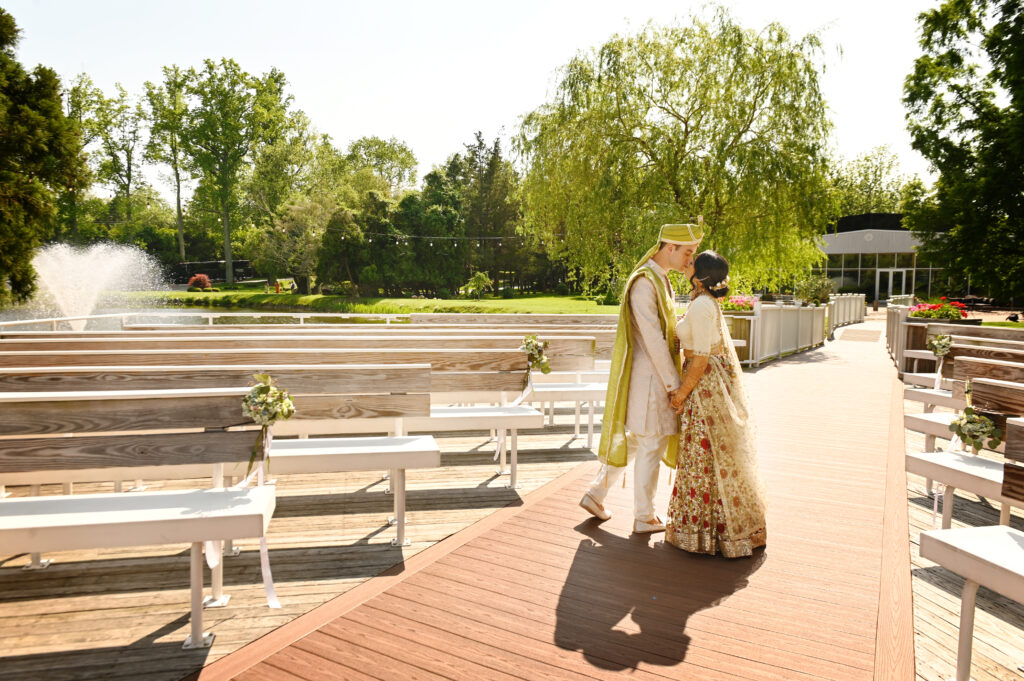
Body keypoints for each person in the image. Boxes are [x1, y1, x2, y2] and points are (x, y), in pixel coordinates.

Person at [579, 223, 703, 533]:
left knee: (638, 440)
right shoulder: (645, 283)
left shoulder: (658, 280)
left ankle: (596, 494)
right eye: (687, 252)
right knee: (652, 443)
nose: (690, 260)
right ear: (669, 248)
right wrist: (677, 387)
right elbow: (653, 340)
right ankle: (644, 516)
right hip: (652, 382)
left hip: (648, 378)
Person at [666, 250, 767, 558]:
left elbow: (700, 359)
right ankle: (719, 530)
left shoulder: (700, 307)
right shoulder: (706, 303)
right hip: (711, 384)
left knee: (703, 454)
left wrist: (681, 394)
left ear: (700, 277)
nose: (688, 263)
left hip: (703, 389)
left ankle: (707, 534)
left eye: (692, 262)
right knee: (714, 456)